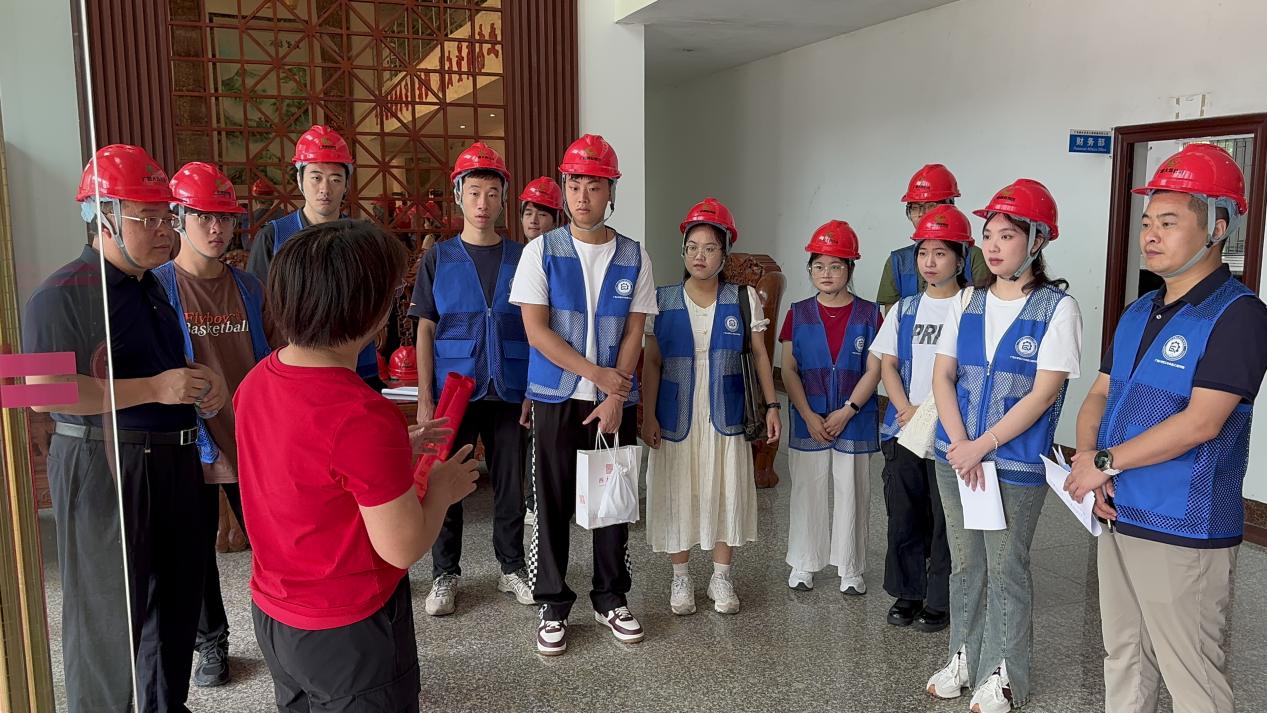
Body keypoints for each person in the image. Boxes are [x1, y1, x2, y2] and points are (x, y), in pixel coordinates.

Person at [236, 219, 479, 712]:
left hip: (276, 615)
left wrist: (392, 451)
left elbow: (304, 466)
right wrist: (442, 488)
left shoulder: (258, 380)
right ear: (368, 311)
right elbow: (401, 547)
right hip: (349, 632)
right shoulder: (362, 414)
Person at [24, 145, 227, 712]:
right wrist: (155, 389)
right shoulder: (59, 293)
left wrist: (199, 383)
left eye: (167, 217)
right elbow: (34, 392)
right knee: (106, 615)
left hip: (174, 460)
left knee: (176, 606)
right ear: (105, 216)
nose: (166, 230)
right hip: (105, 464)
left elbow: (159, 368)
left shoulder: (151, 287)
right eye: (150, 217)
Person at [1065, 143, 1267, 713]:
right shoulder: (1138, 310)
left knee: (1192, 674)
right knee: (1124, 655)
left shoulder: (1238, 315)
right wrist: (1089, 459)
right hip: (1118, 508)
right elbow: (1099, 395)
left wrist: (1104, 463)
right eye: (1147, 222)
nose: (1150, 235)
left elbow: (1202, 422)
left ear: (1217, 228)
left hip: (1185, 525)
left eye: (1169, 222)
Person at [926, 179, 1082, 712]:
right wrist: (961, 444)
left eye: (1007, 236)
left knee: (1006, 567)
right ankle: (964, 655)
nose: (992, 246)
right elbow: (943, 376)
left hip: (1012, 465)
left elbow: (1043, 394)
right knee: (964, 564)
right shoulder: (967, 300)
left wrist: (984, 445)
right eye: (988, 235)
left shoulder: (1058, 309)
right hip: (956, 457)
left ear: (1037, 241)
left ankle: (1006, 673)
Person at [510, 133, 658, 655]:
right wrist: (598, 376)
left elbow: (636, 331)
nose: (582, 196)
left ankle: (611, 597)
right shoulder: (541, 251)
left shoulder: (634, 256)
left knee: (612, 500)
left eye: (593, 186)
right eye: (574, 184)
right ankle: (552, 602)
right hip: (556, 396)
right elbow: (536, 332)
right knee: (550, 503)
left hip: (614, 401)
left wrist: (616, 395)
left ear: (611, 191)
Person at [153, 162, 276, 688]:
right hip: (189, 442)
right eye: (203, 216)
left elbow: (274, 356)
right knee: (195, 552)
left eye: (224, 217)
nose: (216, 228)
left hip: (251, 436)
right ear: (178, 218)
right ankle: (211, 642)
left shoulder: (249, 287)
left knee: (272, 544)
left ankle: (283, 632)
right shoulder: (159, 288)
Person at [408, 142, 534, 616]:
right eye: (475, 192)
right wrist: (425, 398)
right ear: (459, 195)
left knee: (510, 484)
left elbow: (538, 328)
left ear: (503, 200)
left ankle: (511, 567)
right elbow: (425, 328)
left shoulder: (524, 257)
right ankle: (445, 573)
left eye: (492, 194)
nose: (483, 203)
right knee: (443, 482)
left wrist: (534, 391)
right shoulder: (439, 258)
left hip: (510, 389)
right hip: (453, 392)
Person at [641, 198, 781, 615]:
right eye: (692, 247)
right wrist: (647, 415)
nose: (699, 256)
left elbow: (760, 354)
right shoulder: (662, 299)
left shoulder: (743, 299)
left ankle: (721, 577)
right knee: (677, 489)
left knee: (725, 488)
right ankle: (680, 578)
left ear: (725, 254)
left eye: (710, 248)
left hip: (727, 410)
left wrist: (773, 405)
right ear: (683, 251)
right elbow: (651, 362)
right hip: (675, 412)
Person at [869, 204, 974, 634]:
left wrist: (933, 413)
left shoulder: (974, 307)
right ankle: (907, 593)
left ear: (960, 259)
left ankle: (939, 598)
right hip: (906, 427)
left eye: (940, 253)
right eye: (923, 253)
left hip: (951, 429)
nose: (930, 262)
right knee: (904, 513)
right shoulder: (906, 308)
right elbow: (888, 364)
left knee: (946, 518)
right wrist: (905, 409)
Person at [779, 219, 882, 595]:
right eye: (819, 265)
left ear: (850, 269)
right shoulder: (798, 312)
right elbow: (788, 369)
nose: (826, 273)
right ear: (809, 269)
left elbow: (875, 369)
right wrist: (808, 414)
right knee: (807, 489)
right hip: (809, 415)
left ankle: (851, 569)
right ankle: (803, 562)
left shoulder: (869, 314)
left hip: (854, 417)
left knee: (853, 490)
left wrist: (848, 409)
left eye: (836, 266)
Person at [245, 125, 383, 389]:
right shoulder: (274, 237)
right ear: (300, 180)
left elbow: (379, 306)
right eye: (316, 177)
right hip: (294, 373)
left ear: (347, 184)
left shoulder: (364, 238)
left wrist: (349, 347)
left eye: (335, 179)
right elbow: (258, 310)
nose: (325, 189)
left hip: (357, 370)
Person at [877, 164, 989, 309]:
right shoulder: (898, 262)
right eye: (915, 207)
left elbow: (986, 310)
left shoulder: (974, 256)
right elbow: (893, 318)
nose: (922, 214)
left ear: (950, 206)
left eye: (930, 206)